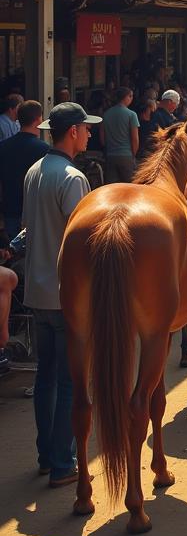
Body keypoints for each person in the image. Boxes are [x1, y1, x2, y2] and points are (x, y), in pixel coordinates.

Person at [23, 102, 100, 487]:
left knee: (45, 377)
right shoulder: (72, 178)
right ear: (72, 132)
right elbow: (81, 239)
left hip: (36, 291)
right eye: (85, 128)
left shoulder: (34, 171)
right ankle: (61, 462)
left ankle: (44, 454)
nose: (89, 134)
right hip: (66, 293)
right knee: (72, 381)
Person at [0, 100, 48, 241]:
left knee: (12, 255)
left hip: (10, 208)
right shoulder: (43, 149)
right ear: (38, 119)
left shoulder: (3, 147)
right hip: (34, 211)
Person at [101, 86, 139, 184]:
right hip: (126, 155)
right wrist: (133, 155)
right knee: (130, 188)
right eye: (130, 96)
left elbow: (102, 139)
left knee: (112, 188)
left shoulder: (106, 114)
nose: (131, 99)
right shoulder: (132, 115)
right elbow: (135, 139)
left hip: (110, 156)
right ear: (126, 97)